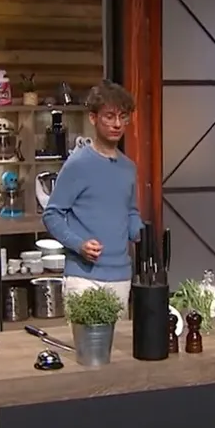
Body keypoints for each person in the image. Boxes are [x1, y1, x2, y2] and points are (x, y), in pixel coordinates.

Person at [41, 80, 144, 312]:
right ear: (93, 118)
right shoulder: (78, 164)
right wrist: (79, 245)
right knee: (87, 337)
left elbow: (130, 211)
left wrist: (141, 233)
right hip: (83, 277)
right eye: (109, 116)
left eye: (123, 117)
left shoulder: (128, 168)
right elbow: (52, 214)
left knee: (116, 336)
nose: (117, 124)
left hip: (121, 275)